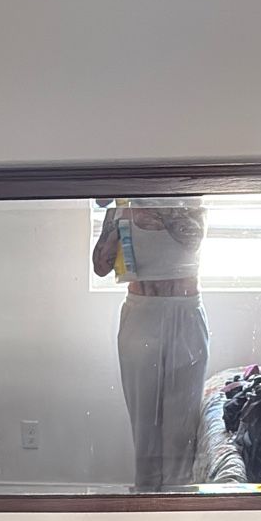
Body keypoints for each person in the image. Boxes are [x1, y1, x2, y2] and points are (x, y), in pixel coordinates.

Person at [92, 197, 209, 492]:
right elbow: (100, 267)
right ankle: (144, 498)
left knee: (182, 425)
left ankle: (178, 500)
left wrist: (149, 203)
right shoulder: (121, 205)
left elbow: (192, 239)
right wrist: (118, 221)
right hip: (140, 312)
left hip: (186, 311)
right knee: (144, 424)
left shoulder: (190, 196)